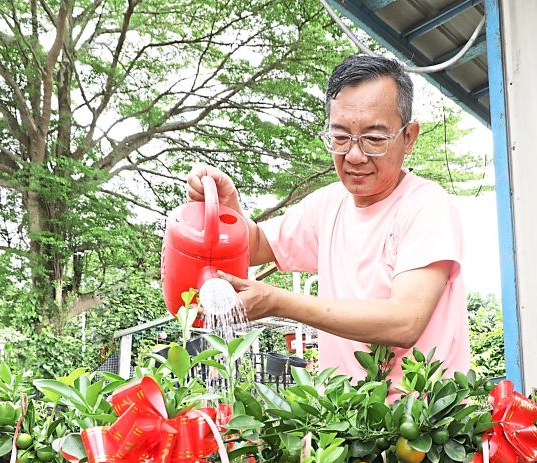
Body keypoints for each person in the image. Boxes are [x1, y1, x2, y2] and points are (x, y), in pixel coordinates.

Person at [185, 54, 469, 382]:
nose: (355, 155)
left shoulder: (426, 206)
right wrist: (228, 208)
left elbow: (405, 321)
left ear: (409, 137)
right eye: (341, 137)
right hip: (342, 409)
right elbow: (256, 246)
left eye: (374, 139)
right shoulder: (328, 205)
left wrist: (278, 302)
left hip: (421, 411)